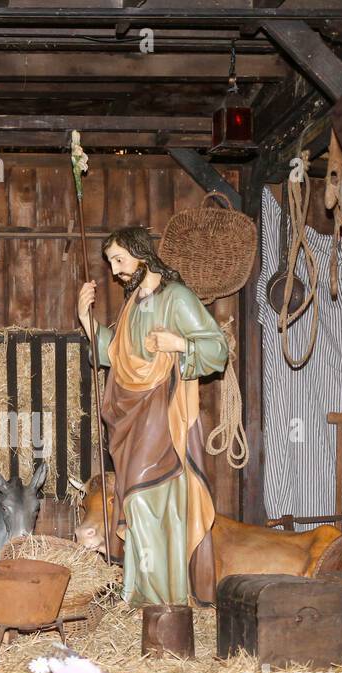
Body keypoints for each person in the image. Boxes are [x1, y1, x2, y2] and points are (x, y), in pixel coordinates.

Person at [77, 227, 229, 606]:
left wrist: (178, 343)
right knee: (136, 503)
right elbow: (114, 354)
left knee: (149, 500)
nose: (115, 272)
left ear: (142, 255)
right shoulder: (133, 306)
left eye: (120, 260)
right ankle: (141, 594)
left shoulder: (177, 298)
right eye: (111, 263)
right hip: (130, 417)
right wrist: (84, 317)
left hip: (163, 413)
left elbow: (217, 348)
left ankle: (163, 598)